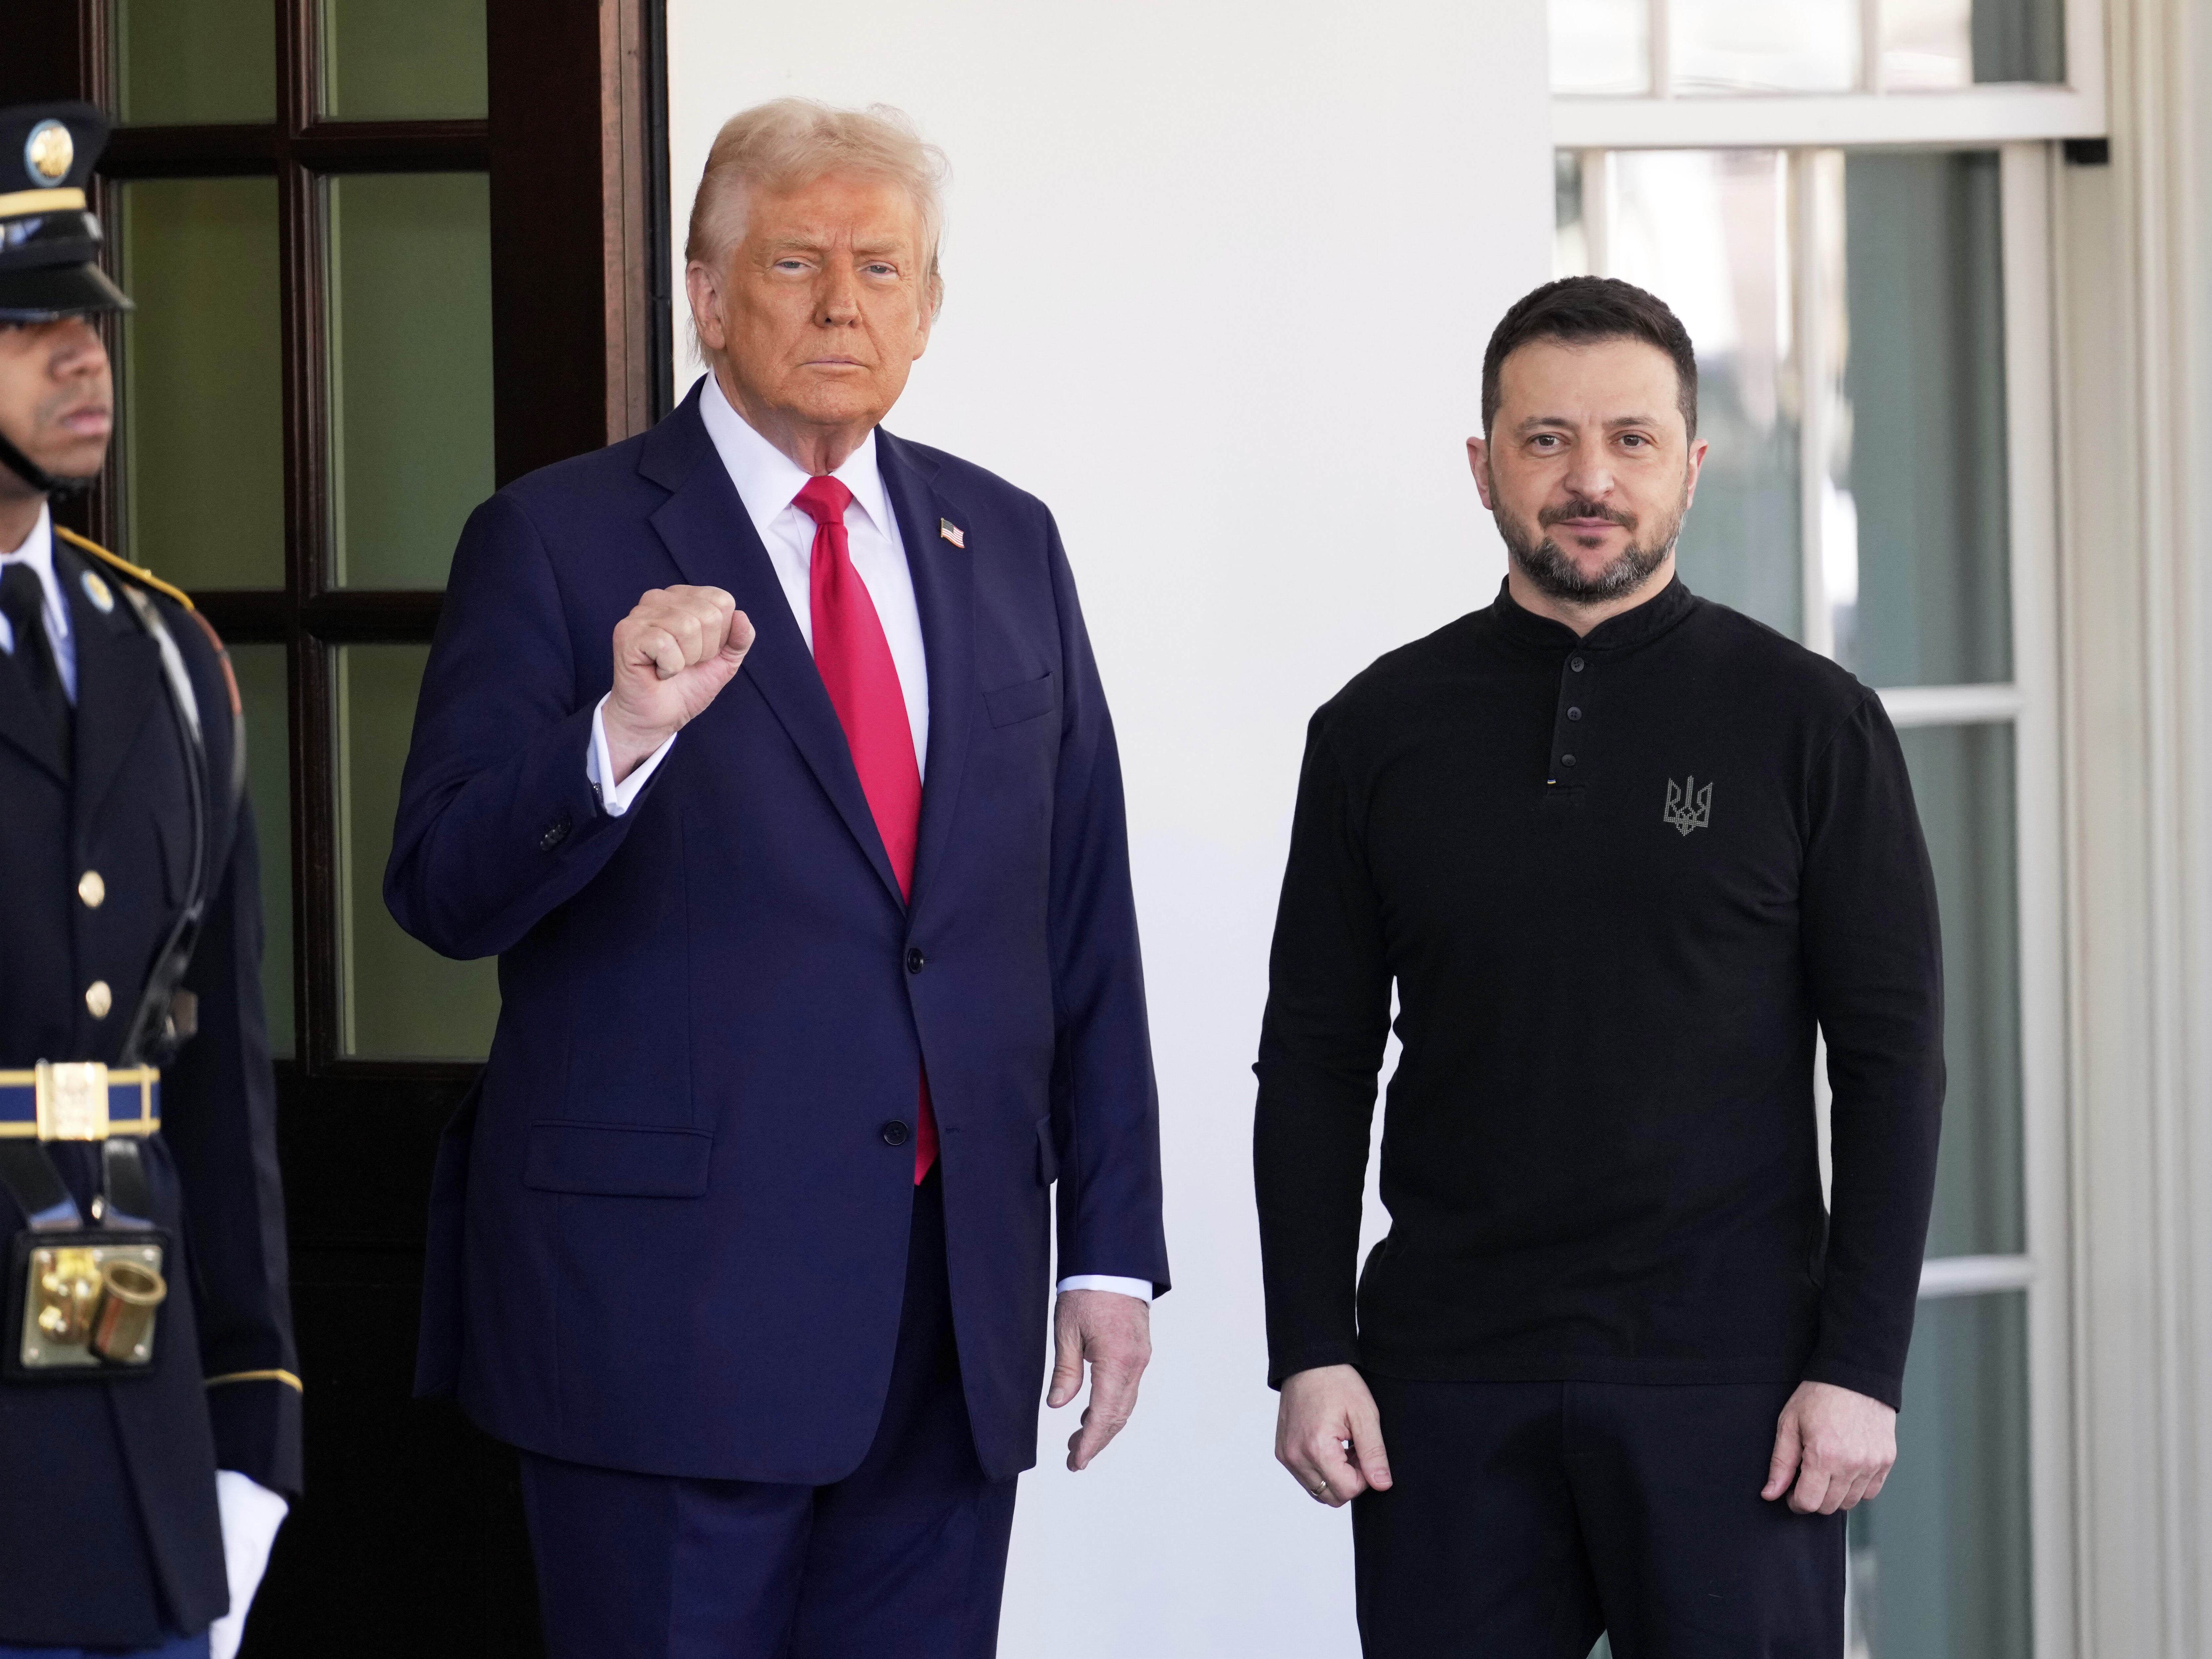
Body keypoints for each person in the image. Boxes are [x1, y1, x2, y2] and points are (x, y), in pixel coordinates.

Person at [388, 98, 1168, 1657]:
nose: (839, 305)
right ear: (705, 291)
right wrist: (612, 735)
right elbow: (440, 888)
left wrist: (1109, 1251)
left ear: (928, 309)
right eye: (796, 261)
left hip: (949, 1324)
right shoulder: (553, 541)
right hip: (661, 1326)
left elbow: (1076, 912)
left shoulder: (1006, 544)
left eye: (882, 269)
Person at [1254, 275, 1945, 1656]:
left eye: (1629, 441)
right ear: (1482, 466)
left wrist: (1856, 1367)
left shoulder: (1812, 724)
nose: (1588, 480)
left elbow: (1889, 1064)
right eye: (1545, 439)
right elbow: (1317, 1060)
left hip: (1732, 1388)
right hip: (1443, 1385)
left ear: (1690, 467)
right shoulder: (1374, 730)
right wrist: (1310, 1346)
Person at [0, 103, 299, 1659]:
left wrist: (253, 1446)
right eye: (29, 325)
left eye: (90, 322)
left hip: (137, 1445)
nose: (84, 360)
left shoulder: (168, 654)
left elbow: (218, 1085)